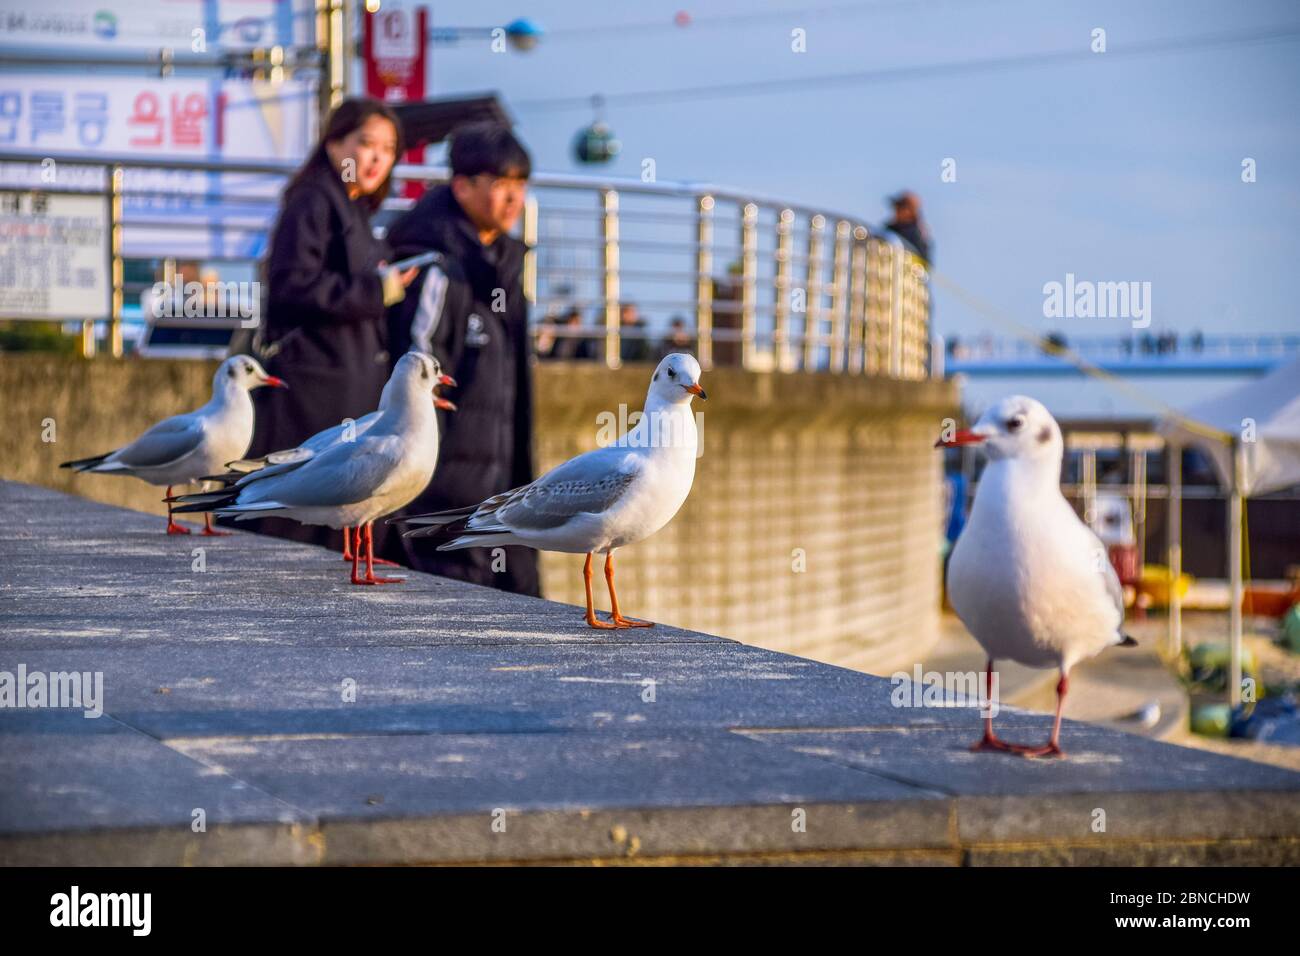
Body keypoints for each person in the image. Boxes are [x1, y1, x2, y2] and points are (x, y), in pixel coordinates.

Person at [236, 97, 417, 550]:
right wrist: (380, 291)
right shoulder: (315, 199)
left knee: (327, 520)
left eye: (389, 148)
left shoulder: (353, 206)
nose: (377, 158)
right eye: (366, 143)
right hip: (313, 385)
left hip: (345, 383)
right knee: (294, 527)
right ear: (334, 144)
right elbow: (292, 286)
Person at [382, 122, 540, 597]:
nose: (513, 199)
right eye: (499, 185)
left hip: (501, 493)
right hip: (442, 503)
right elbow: (416, 381)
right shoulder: (434, 267)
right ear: (462, 186)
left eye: (520, 186)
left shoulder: (505, 265)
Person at [884, 191, 932, 264]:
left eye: (901, 207)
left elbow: (924, 263)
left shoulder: (916, 234)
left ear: (909, 211)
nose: (896, 210)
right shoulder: (889, 229)